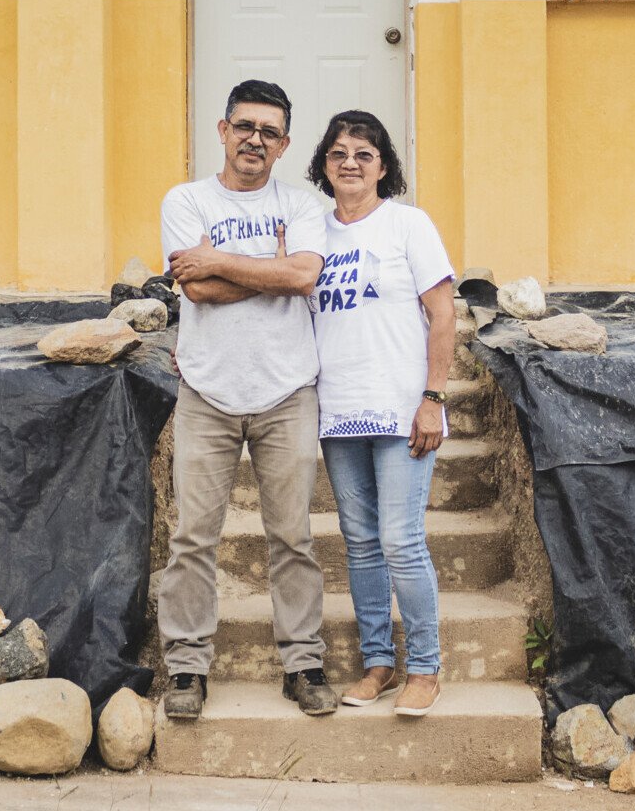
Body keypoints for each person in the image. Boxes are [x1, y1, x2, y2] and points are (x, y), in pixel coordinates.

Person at [155, 79, 339, 719]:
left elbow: (305, 275)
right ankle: (185, 669)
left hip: (287, 391)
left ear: (284, 143)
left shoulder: (304, 203)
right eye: (245, 127)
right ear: (222, 129)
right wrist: (272, 268)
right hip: (206, 391)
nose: (254, 140)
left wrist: (220, 261)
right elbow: (197, 292)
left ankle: (303, 662)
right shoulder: (185, 200)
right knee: (192, 539)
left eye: (269, 131)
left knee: (292, 537)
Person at [304, 109, 456, 718]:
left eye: (363, 153)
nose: (349, 162)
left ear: (382, 167)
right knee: (360, 543)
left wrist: (433, 398)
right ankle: (378, 664)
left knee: (401, 540)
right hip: (339, 410)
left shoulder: (407, 226)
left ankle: (425, 667)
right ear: (323, 165)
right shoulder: (314, 234)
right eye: (338, 152)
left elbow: (443, 315)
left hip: (401, 409)